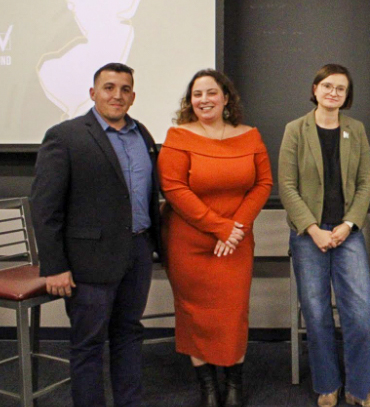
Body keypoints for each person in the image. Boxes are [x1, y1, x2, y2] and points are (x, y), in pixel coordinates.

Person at [30, 62, 161, 407]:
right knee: (88, 344)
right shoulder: (65, 136)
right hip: (88, 261)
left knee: (128, 334)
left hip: (137, 252)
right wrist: (55, 266)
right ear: (93, 93)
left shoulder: (142, 135)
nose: (117, 95)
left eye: (125, 89)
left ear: (133, 96)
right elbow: (45, 208)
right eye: (109, 87)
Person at [158, 69, 273, 407]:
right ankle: (208, 387)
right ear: (190, 101)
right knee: (194, 314)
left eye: (211, 93)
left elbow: (263, 184)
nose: (204, 100)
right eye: (197, 94)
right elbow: (174, 189)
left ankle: (234, 384)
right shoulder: (178, 136)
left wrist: (236, 228)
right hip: (189, 243)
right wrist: (220, 228)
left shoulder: (250, 136)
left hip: (235, 242)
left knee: (233, 314)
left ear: (226, 98)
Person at [278, 64, 370, 407]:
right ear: (315, 89)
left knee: (361, 314)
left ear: (346, 95)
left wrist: (349, 224)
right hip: (308, 235)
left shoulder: (356, 129)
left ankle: (359, 388)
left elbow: (366, 182)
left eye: (341, 88)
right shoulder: (295, 130)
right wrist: (312, 229)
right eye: (327, 86)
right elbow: (287, 186)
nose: (333, 92)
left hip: (347, 232)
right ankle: (327, 384)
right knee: (317, 313)